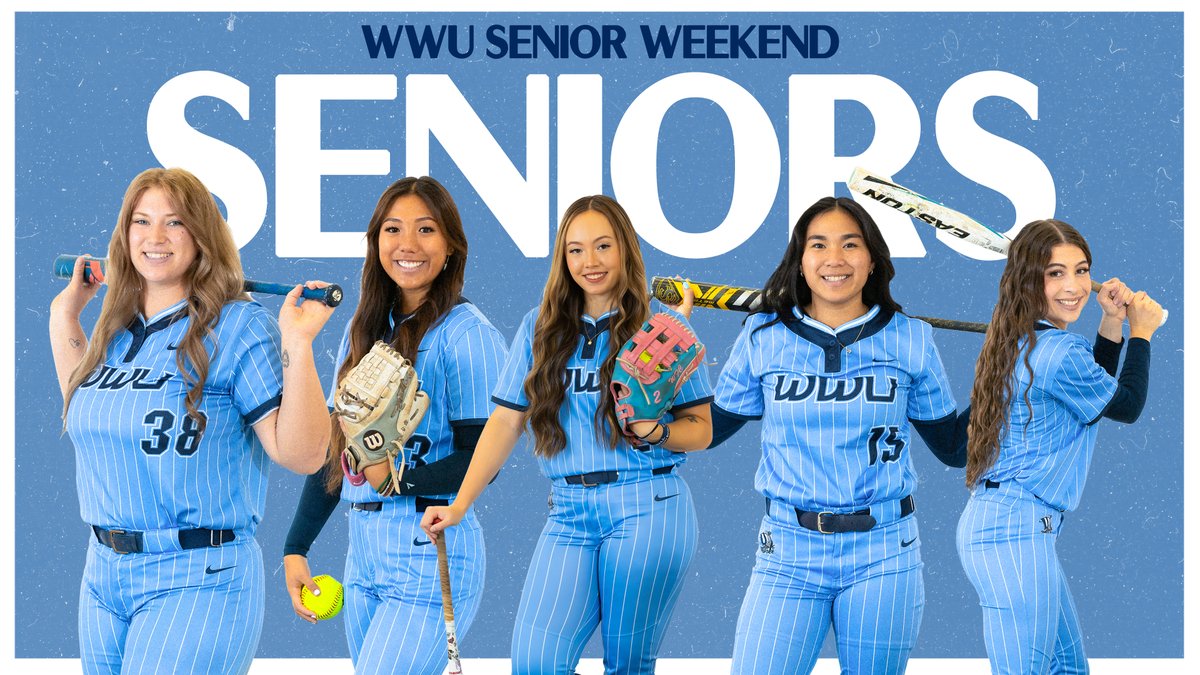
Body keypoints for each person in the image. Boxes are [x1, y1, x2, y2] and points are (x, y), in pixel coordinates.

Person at [49, 167, 335, 675]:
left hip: (198, 574)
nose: (154, 237)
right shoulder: (115, 326)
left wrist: (297, 342)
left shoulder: (241, 326)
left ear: (201, 236)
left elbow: (305, 454)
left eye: (174, 223)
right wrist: (65, 317)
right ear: (124, 234)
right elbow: (86, 411)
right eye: (141, 221)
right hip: (103, 575)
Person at [420, 195, 713, 674]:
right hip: (569, 513)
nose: (589, 262)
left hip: (648, 503)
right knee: (536, 663)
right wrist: (459, 504)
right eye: (575, 250)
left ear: (626, 249)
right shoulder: (541, 326)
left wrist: (653, 428)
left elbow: (700, 431)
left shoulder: (659, 327)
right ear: (562, 257)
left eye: (603, 246)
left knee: (627, 666)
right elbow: (506, 421)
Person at [702, 196, 968, 674]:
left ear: (872, 261)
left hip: (884, 551)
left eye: (851, 244)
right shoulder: (761, 334)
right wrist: (650, 419)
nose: (835, 259)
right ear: (800, 263)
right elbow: (710, 430)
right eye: (818, 245)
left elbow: (953, 447)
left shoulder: (912, 337)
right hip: (787, 549)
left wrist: (1011, 374)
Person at [282, 176, 507, 675]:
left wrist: (399, 479)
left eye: (426, 229)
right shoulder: (363, 327)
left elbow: (484, 461)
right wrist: (297, 546)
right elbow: (334, 451)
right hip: (362, 557)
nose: (407, 245)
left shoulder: (468, 335)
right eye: (393, 229)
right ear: (376, 241)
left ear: (450, 246)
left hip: (428, 548)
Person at [957, 219, 1161, 674]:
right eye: (1055, 273)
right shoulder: (1057, 350)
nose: (1073, 286)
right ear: (1030, 280)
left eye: (1081, 270)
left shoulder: (1032, 343)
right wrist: (1142, 333)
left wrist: (1111, 321)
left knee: (1067, 670)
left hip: (1016, 529)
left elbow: (1092, 390)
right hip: (1014, 532)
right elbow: (1124, 405)